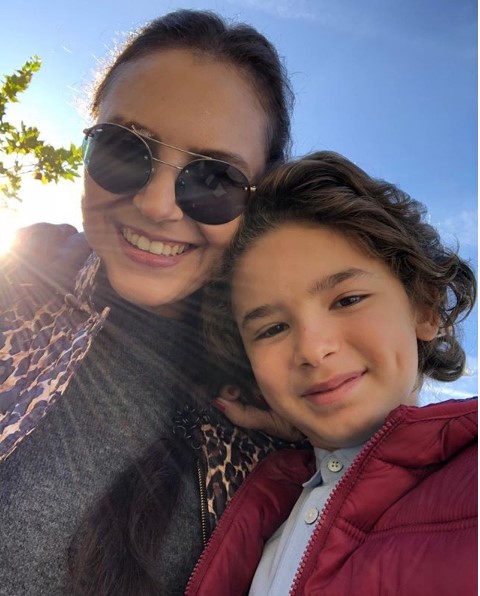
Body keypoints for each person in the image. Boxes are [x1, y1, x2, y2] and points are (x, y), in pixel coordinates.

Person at [0, 9, 295, 595]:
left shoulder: (281, 407)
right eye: (123, 148)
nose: (158, 205)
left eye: (214, 179)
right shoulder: (19, 286)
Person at [189, 151, 478, 595]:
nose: (312, 349)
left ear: (424, 306)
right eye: (272, 329)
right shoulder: (262, 507)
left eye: (347, 300)